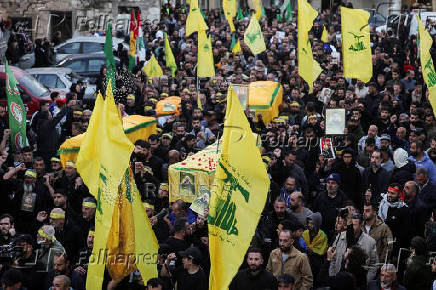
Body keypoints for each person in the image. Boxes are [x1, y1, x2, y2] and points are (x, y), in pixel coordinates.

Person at [329, 213, 378, 282]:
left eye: (354, 225)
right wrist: (332, 277)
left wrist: (365, 281)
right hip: (338, 280)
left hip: (357, 283)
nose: (351, 227)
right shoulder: (340, 237)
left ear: (361, 225)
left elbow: (373, 265)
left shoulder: (370, 242)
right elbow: (333, 258)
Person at [313, 173, 350, 240]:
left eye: (333, 183)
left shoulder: (343, 198)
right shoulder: (320, 196)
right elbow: (314, 211)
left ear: (338, 185)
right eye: (328, 182)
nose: (330, 185)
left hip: (336, 232)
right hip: (321, 231)